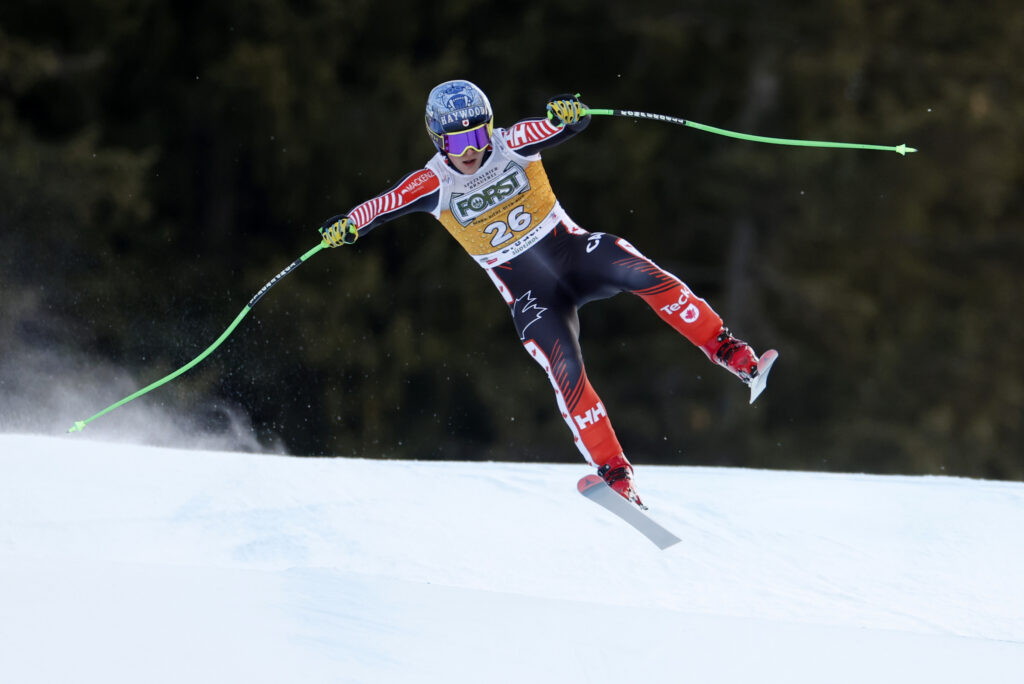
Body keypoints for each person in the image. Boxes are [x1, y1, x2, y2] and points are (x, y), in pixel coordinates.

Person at [319, 79, 774, 508]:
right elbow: (383, 205)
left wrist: (568, 115)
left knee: (638, 269)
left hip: (573, 255)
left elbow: (559, 126)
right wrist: (347, 226)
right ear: (439, 141)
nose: (473, 151)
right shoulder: (434, 181)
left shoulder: (511, 143)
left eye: (479, 136)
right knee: (566, 370)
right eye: (459, 143)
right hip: (532, 295)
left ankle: (731, 352)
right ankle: (616, 475)